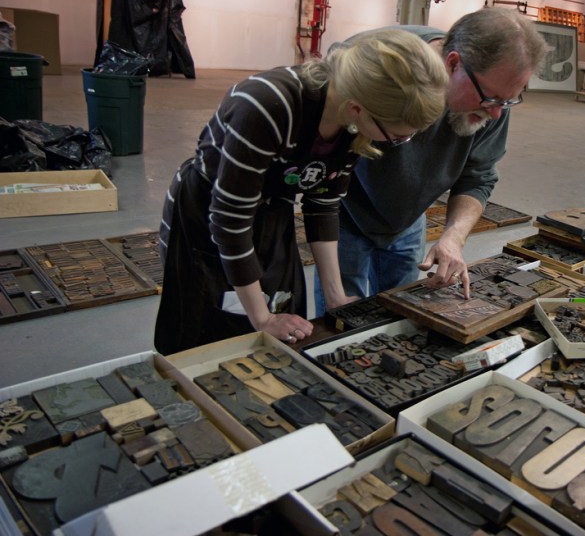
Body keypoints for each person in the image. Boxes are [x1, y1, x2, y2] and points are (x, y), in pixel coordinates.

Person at [154, 29, 449, 355]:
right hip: (208, 218)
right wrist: (262, 318)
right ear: (356, 109)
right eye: (396, 137)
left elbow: (322, 204)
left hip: (271, 211)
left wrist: (336, 296)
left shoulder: (351, 123)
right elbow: (229, 222)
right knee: (212, 332)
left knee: (284, 320)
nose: (397, 144)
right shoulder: (266, 105)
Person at [314, 8, 547, 314]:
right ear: (453, 65)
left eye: (508, 101)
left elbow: (477, 176)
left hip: (409, 217)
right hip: (345, 211)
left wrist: (453, 238)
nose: (496, 113)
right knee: (340, 317)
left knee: (401, 312)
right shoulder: (380, 63)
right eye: (491, 99)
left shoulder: (494, 97)